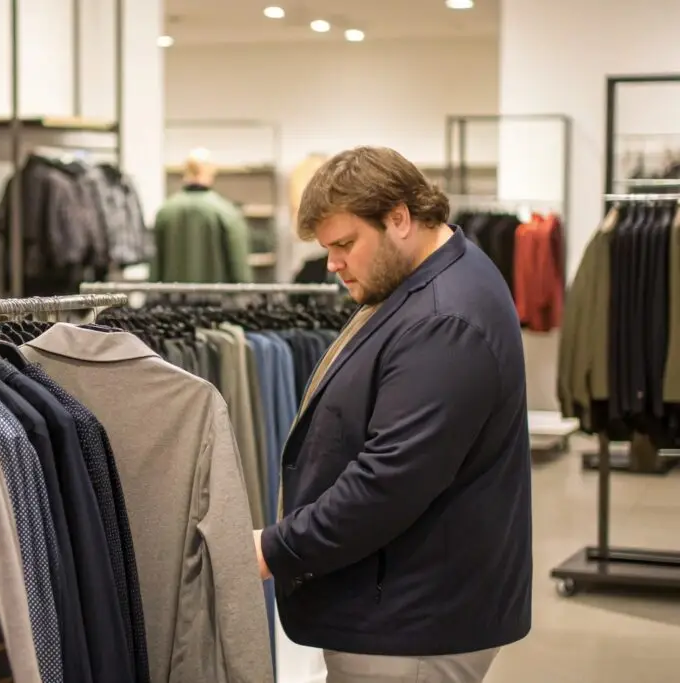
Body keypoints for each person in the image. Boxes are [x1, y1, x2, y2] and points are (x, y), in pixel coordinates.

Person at [253, 146, 532, 683]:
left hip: (413, 625)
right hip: (407, 604)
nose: (332, 263)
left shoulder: (443, 320)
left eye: (344, 244)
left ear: (399, 218)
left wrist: (276, 548)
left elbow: (389, 480)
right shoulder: (429, 280)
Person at [151, 147, 252, 283]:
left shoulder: (165, 212)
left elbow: (155, 265)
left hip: (173, 301)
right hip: (216, 300)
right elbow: (239, 267)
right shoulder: (226, 212)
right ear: (211, 172)